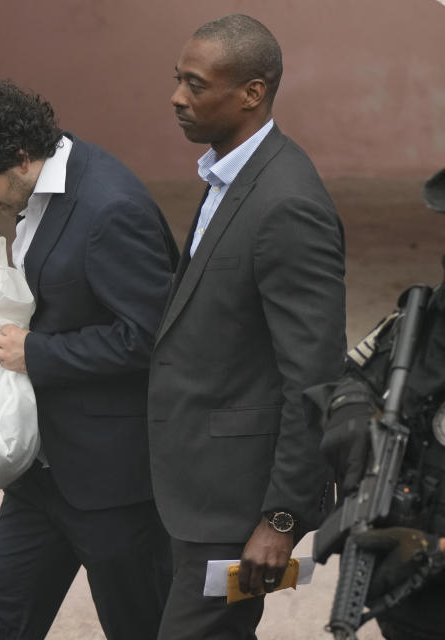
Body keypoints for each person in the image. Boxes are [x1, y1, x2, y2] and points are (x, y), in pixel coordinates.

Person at [0, 80, 178, 639]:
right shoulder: (41, 185)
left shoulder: (112, 208)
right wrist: (11, 347)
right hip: (41, 473)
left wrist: (34, 352)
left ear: (19, 158)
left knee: (141, 626)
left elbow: (156, 335)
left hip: (113, 484)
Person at [147, 14, 346, 639]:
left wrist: (282, 517)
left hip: (236, 506)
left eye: (196, 85)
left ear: (252, 93)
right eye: (178, 80)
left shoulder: (287, 202)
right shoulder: (226, 174)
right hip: (190, 490)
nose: (178, 97)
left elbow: (313, 372)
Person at [313, 169, 445, 640]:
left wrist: (436, 549)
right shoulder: (426, 320)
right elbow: (355, 376)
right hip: (411, 601)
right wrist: (351, 408)